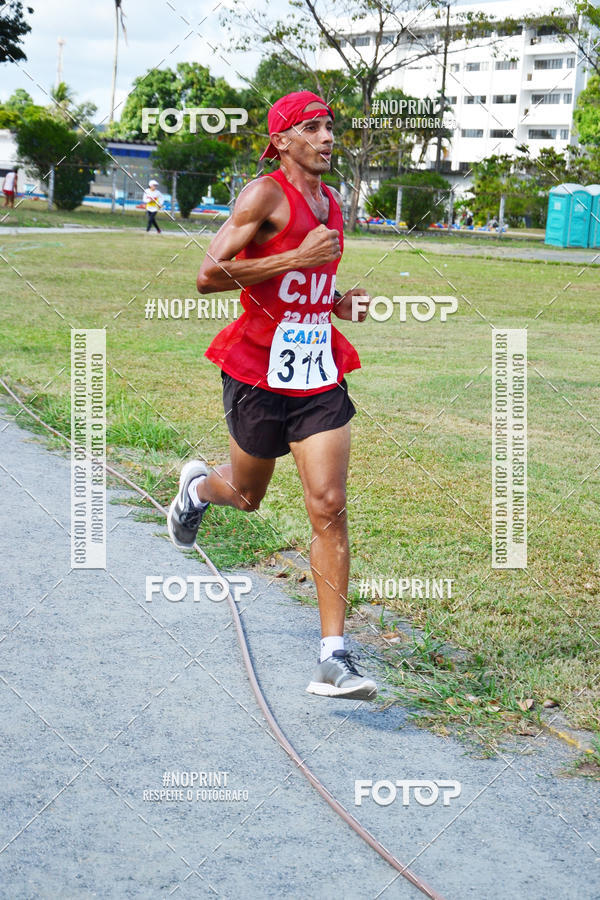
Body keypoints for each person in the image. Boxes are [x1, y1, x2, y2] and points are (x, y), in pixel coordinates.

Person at [167, 90, 377, 701]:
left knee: (329, 504)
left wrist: (338, 303)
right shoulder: (263, 195)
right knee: (246, 493)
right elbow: (207, 277)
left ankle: (334, 657)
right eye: (311, 128)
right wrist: (294, 253)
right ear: (282, 141)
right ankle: (198, 488)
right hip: (257, 370)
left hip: (317, 370)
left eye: (330, 127)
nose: (328, 137)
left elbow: (304, 284)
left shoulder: (334, 201)